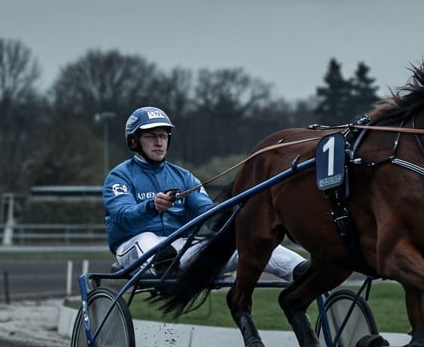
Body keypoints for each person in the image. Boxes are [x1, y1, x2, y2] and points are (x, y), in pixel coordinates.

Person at [103, 106, 307, 280]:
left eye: (163, 136)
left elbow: (208, 214)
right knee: (149, 239)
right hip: (134, 246)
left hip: (181, 250)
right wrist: (152, 206)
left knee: (251, 242)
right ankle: (167, 269)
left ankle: (301, 270)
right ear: (134, 141)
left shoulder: (183, 177)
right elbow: (123, 216)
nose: (159, 142)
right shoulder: (120, 176)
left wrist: (238, 212)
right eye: (151, 136)